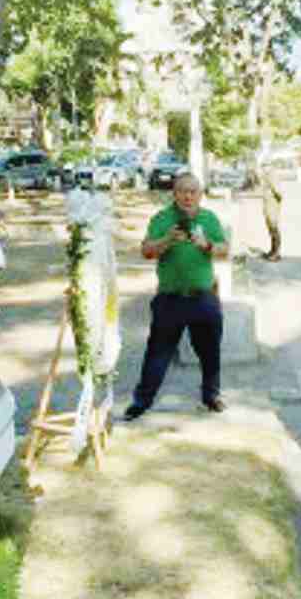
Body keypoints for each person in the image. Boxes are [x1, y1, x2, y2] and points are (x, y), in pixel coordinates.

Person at [124, 173, 229, 420]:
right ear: (174, 193)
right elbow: (146, 251)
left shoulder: (209, 218)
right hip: (170, 299)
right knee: (157, 353)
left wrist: (207, 245)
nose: (188, 196)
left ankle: (211, 395)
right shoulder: (162, 219)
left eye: (193, 191)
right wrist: (167, 240)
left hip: (203, 297)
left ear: (200, 195)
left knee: (210, 351)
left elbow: (224, 249)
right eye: (183, 191)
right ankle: (142, 401)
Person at [260, 164, 282, 261]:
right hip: (268, 204)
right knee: (271, 229)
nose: (263, 168)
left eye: (264, 166)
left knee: (274, 228)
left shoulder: (272, 175)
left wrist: (277, 198)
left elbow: (277, 190)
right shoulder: (267, 175)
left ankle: (276, 253)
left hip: (272, 204)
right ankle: (272, 251)